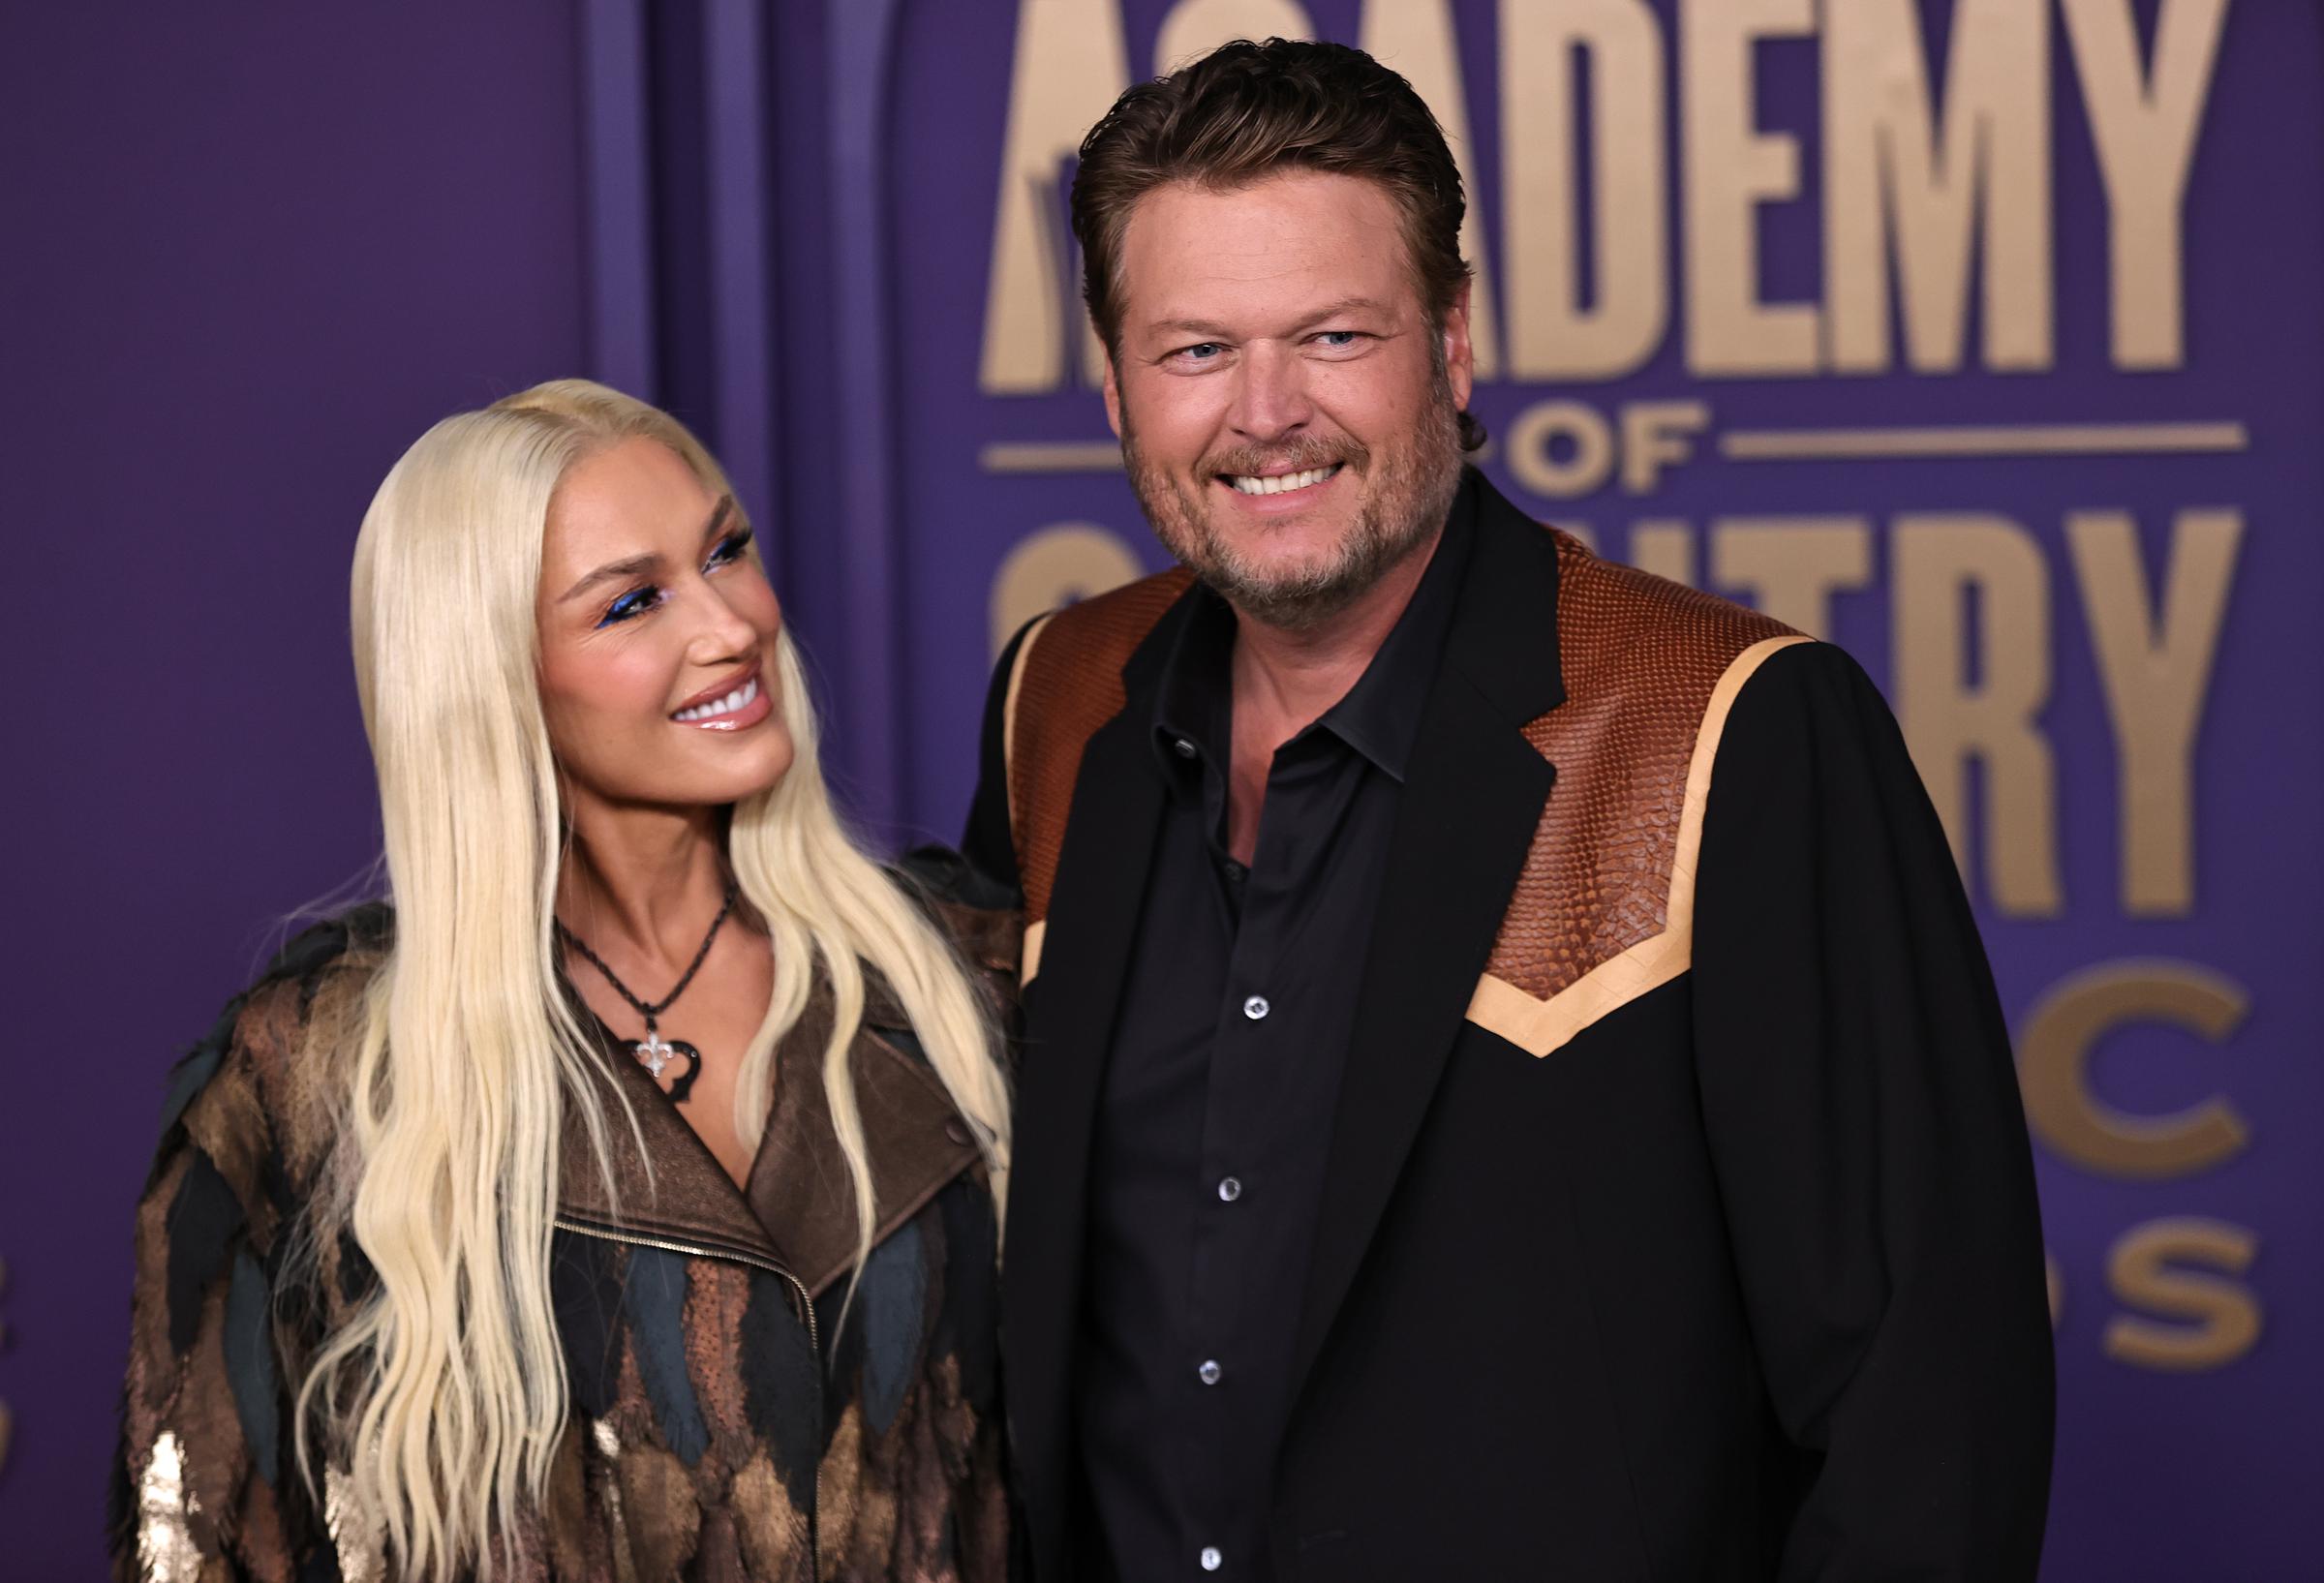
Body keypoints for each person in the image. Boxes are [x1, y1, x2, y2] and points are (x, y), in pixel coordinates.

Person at [962, 39, 2054, 1582]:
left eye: (1334, 335)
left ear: (1454, 343)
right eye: (1196, 349)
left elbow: (1929, 1411)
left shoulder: (1733, 725)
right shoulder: (1058, 698)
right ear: (1118, 382)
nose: (1266, 413)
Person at [114, 380, 1017, 1582]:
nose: (732, 624)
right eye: (634, 602)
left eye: (728, 551)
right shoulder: (308, 1079)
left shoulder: (958, 976)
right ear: (492, 679)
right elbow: (199, 1544)